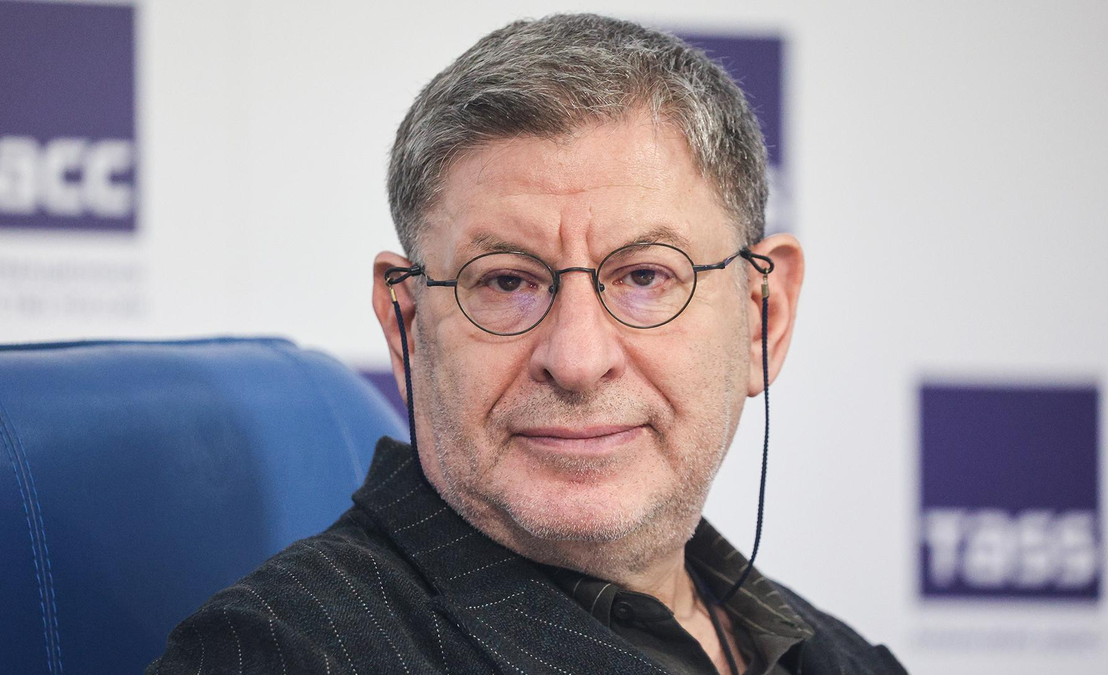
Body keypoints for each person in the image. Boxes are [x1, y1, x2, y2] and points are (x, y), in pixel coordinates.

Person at [149, 13, 907, 674]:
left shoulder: (847, 658)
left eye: (645, 275)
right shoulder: (284, 653)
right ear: (407, 328)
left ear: (761, 317)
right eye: (507, 281)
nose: (577, 360)